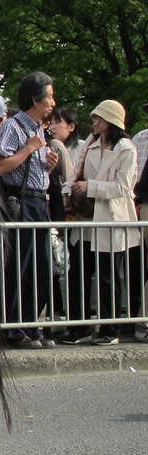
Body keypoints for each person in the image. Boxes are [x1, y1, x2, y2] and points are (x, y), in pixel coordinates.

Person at [59, 100, 139, 345]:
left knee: (108, 276)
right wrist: (66, 191)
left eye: (99, 117)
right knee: (78, 274)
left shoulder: (126, 148)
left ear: (111, 120)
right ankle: (78, 327)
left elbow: (124, 187)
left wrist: (90, 187)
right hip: (85, 218)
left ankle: (109, 329)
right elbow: (75, 173)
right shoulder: (91, 143)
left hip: (110, 218)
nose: (94, 120)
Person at [0, 71, 59, 348]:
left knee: (43, 266)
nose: (54, 103)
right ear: (35, 99)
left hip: (40, 202)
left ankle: (32, 325)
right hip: (22, 204)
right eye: (50, 96)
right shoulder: (14, 127)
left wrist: (49, 165)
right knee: (20, 266)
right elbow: (0, 166)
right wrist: (29, 150)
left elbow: (32, 167)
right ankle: (14, 328)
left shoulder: (38, 130)